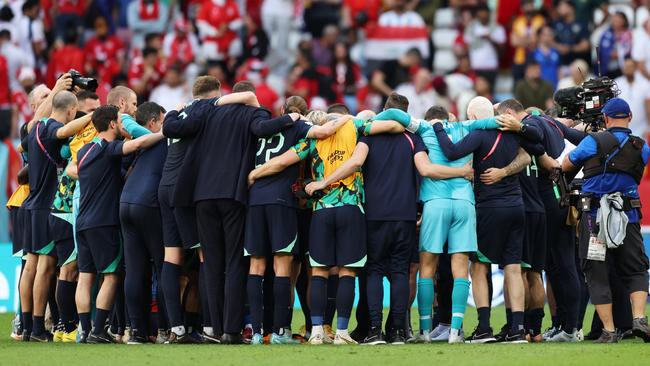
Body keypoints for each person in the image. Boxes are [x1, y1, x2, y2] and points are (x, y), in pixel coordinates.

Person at [248, 94, 412, 345]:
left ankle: (315, 331)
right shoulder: (355, 127)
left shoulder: (312, 138)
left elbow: (281, 162)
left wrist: (255, 173)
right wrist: (353, 118)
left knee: (319, 272)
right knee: (346, 272)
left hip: (321, 210)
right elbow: (395, 125)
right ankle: (343, 332)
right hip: (350, 208)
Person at [162, 82, 294, 344]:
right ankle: (232, 331)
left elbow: (172, 128)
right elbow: (262, 128)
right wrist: (290, 117)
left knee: (211, 263)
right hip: (233, 194)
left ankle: (214, 327)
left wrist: (175, 111)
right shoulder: (251, 113)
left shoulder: (207, 111)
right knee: (234, 262)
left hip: (201, 195)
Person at [405, 98, 520, 344]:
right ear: (449, 117)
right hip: (464, 204)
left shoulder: (424, 129)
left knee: (427, 268)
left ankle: (425, 331)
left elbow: (393, 115)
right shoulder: (468, 127)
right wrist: (520, 125)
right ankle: (456, 331)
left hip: (435, 203)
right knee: (461, 270)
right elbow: (493, 120)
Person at [433, 98, 544, 344]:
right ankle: (517, 328)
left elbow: (451, 152)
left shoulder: (480, 135)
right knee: (513, 268)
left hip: (489, 208)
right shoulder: (512, 132)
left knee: (480, 266)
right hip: (517, 207)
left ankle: (484, 328)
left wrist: (439, 129)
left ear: (473, 117)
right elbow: (538, 145)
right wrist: (520, 128)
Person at [244, 96, 352, 345]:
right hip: (283, 202)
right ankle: (282, 332)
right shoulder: (300, 127)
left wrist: (253, 175)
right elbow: (324, 131)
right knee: (285, 268)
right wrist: (348, 117)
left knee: (256, 267)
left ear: (282, 110)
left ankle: (259, 332)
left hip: (256, 200)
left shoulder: (265, 128)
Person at [497, 99, 585, 343]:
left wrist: (550, 161)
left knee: (552, 266)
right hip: (557, 195)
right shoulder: (552, 123)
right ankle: (564, 326)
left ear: (512, 114)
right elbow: (580, 139)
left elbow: (533, 139)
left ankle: (566, 327)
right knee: (556, 266)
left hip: (544, 199)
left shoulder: (530, 125)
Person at [562, 98, 650, 343]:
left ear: (606, 118)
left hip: (594, 219)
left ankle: (609, 330)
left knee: (596, 271)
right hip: (628, 216)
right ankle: (639, 317)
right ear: (630, 116)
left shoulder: (594, 141)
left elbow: (567, 163)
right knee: (636, 268)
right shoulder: (641, 146)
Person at [75, 105, 165, 344]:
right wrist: (164, 134)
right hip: (103, 222)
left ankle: (84, 331)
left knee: (85, 276)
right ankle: (97, 331)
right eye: (120, 121)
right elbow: (136, 144)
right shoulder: (109, 148)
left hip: (82, 221)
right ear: (113, 124)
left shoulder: (83, 151)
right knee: (111, 276)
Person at [21, 89, 93, 342]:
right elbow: (63, 132)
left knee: (30, 267)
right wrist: (93, 117)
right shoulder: (52, 127)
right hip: (44, 205)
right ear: (72, 110)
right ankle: (38, 327)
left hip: (31, 204)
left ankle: (28, 326)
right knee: (45, 268)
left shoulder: (35, 127)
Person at [119, 102, 168, 344]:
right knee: (163, 266)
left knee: (135, 270)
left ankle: (137, 331)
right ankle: (166, 330)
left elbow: (127, 123)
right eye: (163, 119)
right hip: (148, 204)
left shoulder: (140, 145)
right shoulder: (160, 139)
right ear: (152, 124)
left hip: (126, 202)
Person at [463, 4, 506, 90]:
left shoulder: (498, 28)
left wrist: (491, 40)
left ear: (489, 15)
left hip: (491, 66)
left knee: (489, 93)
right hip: (476, 66)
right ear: (477, 15)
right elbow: (466, 47)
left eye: (485, 16)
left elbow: (502, 50)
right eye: (481, 16)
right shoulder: (471, 28)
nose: (483, 18)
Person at [614, 58, 650, 138]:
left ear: (635, 68)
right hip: (621, 130)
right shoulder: (616, 83)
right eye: (626, 67)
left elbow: (648, 108)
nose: (628, 69)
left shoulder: (645, 84)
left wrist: (648, 128)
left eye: (631, 67)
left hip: (642, 130)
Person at [510, 0, 545, 81]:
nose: (529, 7)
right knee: (518, 85)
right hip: (519, 59)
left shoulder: (540, 20)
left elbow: (540, 40)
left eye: (531, 4)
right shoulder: (517, 21)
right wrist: (531, 40)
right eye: (526, 5)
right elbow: (514, 41)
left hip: (536, 58)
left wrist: (522, 40)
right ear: (522, 8)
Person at [552, 0, 590, 66]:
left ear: (571, 7)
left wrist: (569, 48)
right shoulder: (556, 24)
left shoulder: (581, 24)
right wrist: (558, 47)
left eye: (561, 5)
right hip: (560, 65)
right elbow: (549, 41)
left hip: (578, 64)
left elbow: (585, 46)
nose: (558, 8)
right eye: (558, 6)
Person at [598, 12, 632, 80]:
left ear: (624, 20)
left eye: (619, 18)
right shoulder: (606, 34)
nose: (616, 20)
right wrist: (620, 53)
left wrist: (619, 53)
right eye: (614, 18)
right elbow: (606, 53)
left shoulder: (630, 33)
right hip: (608, 70)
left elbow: (632, 51)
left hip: (625, 69)